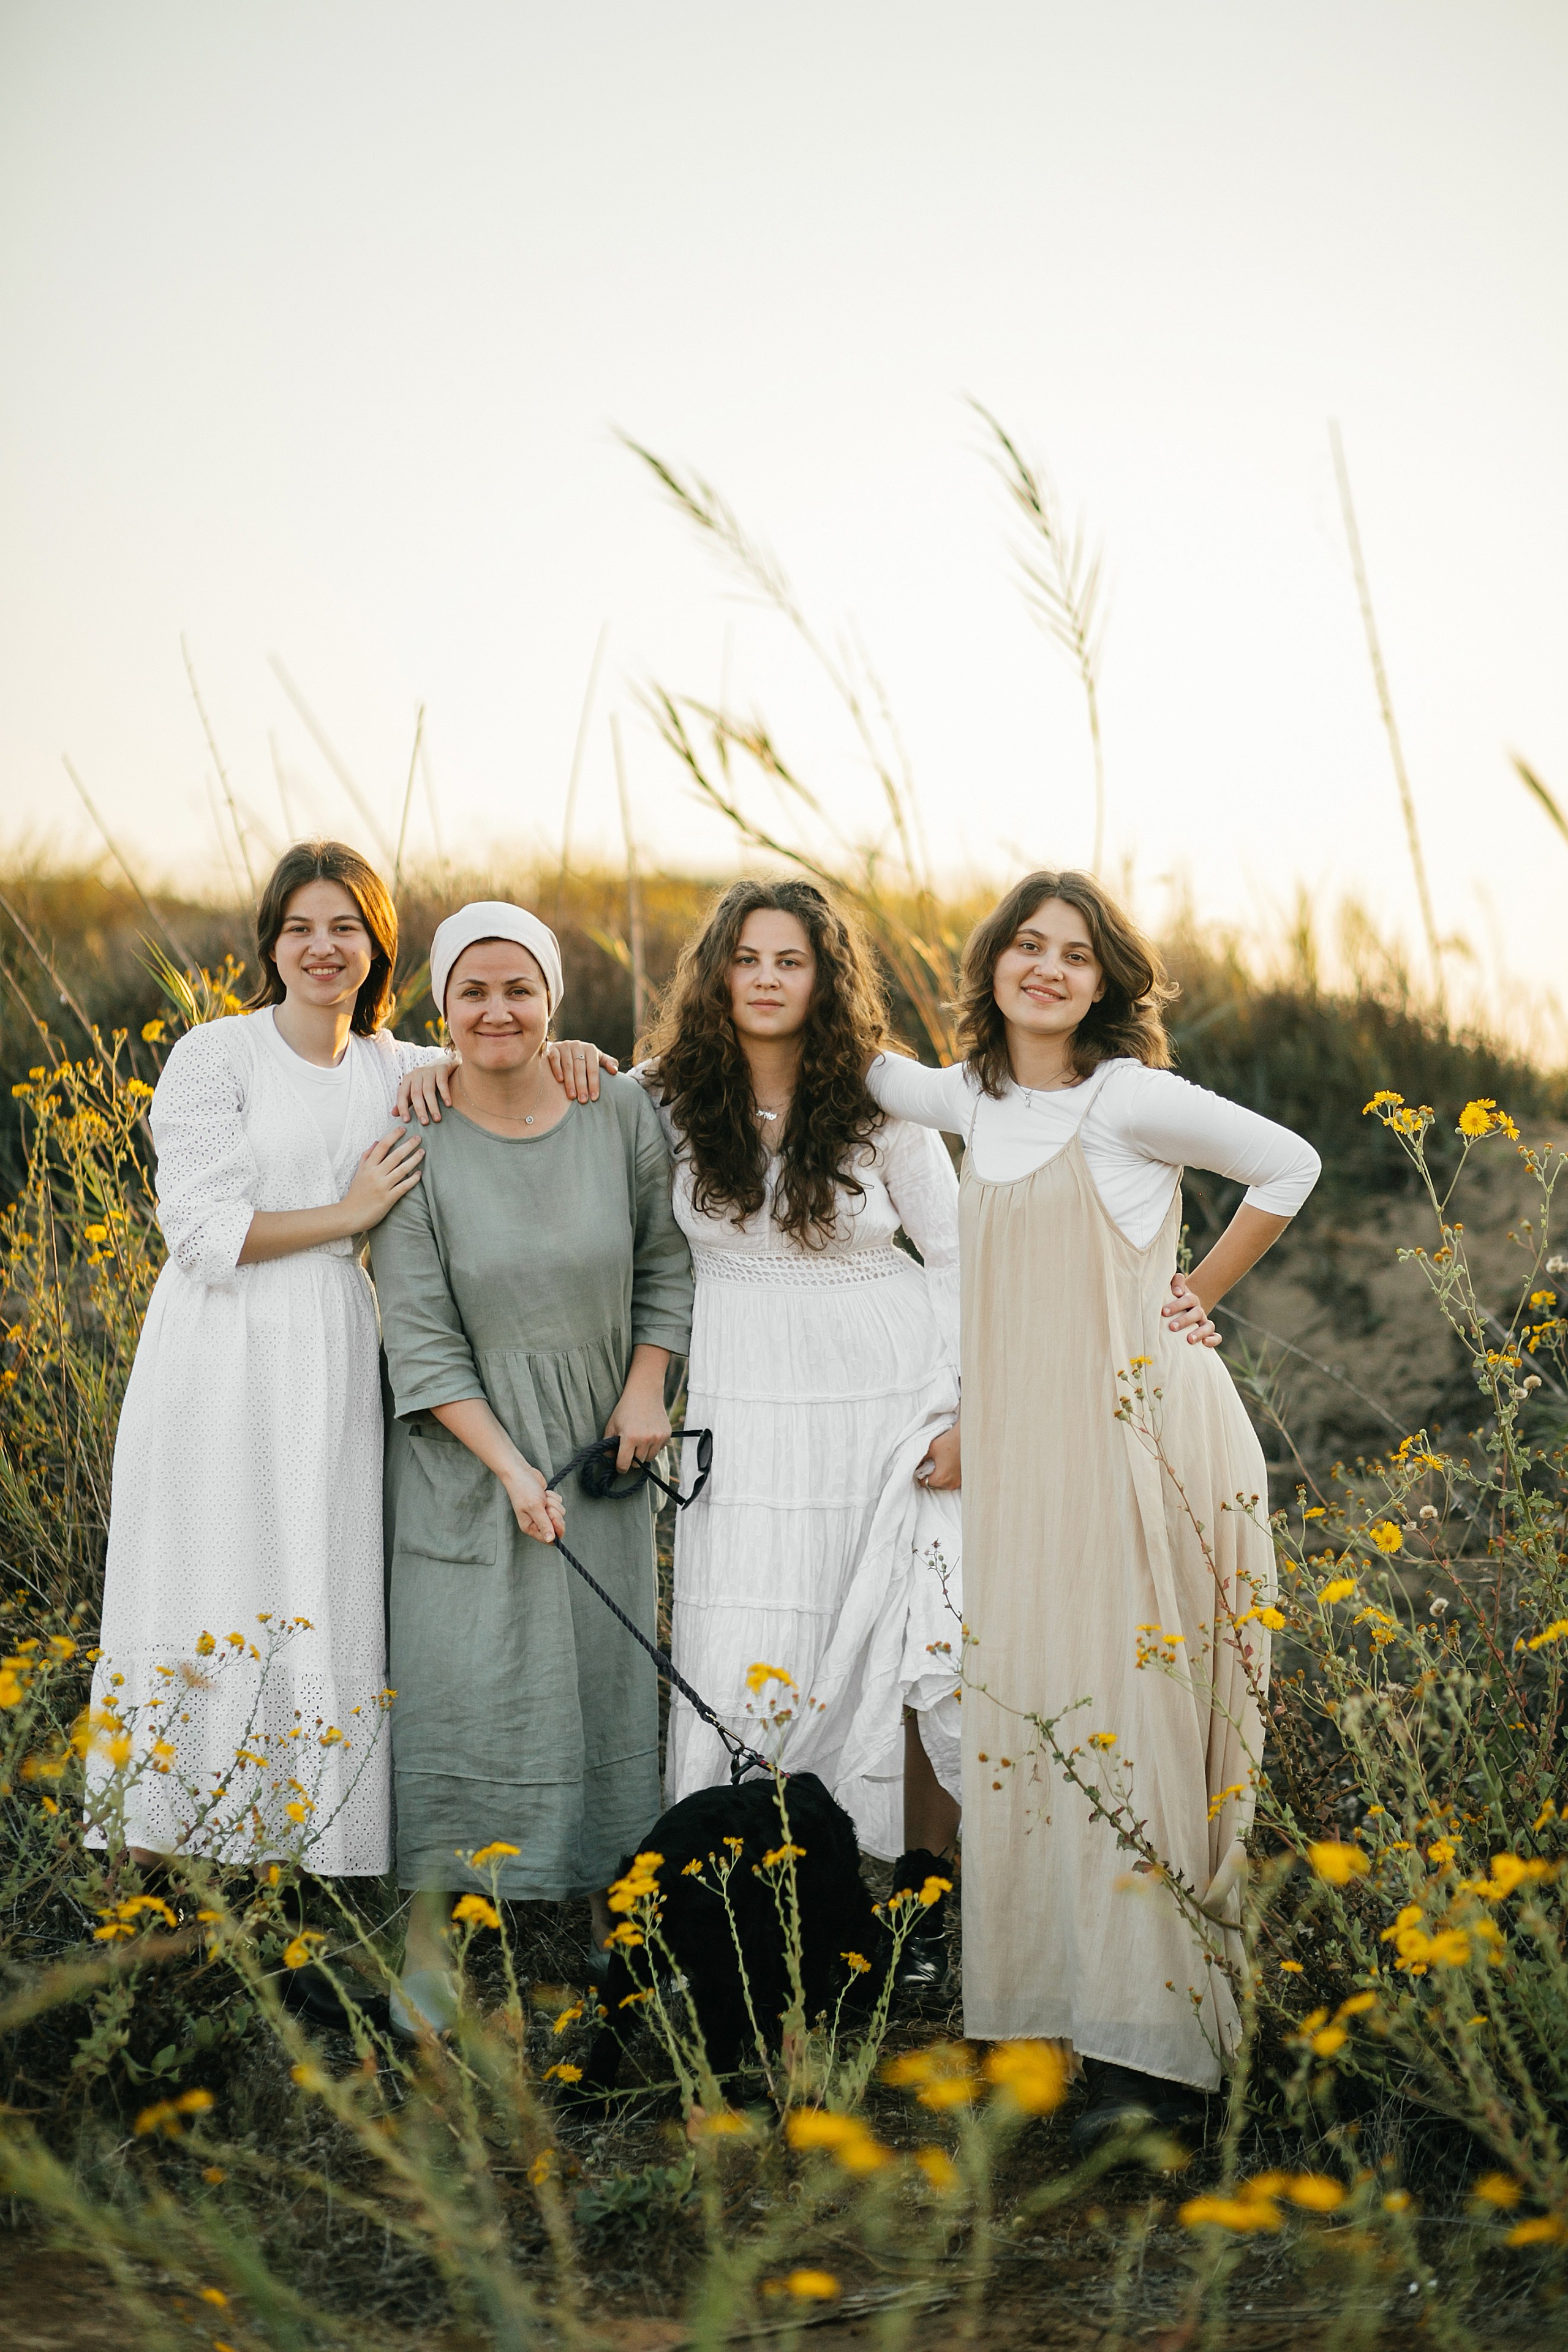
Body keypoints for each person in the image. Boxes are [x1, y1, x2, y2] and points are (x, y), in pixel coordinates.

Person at [864, 869, 1320, 2148]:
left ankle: (1157, 2064)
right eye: (1025, 946)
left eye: (1074, 955)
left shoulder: (1124, 1099)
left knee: (1137, 1722)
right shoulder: (969, 1097)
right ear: (992, 965)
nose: (1046, 970)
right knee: (1046, 1722)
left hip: (1141, 1439)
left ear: (1105, 983)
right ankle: (1064, 2028)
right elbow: (865, 1069)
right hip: (1034, 1462)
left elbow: (1288, 1162)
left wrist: (1195, 1289)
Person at [554, 880, 965, 1978]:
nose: (770, 979)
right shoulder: (665, 1100)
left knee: (900, 1640)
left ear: (826, 979)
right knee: (743, 1639)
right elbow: (553, 1099)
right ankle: (742, 1909)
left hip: (888, 1389)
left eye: (793, 960)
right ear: (718, 976)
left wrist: (971, 1413)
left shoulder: (885, 1100)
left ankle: (921, 1901)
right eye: (749, 959)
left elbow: (965, 1255)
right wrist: (552, 1061)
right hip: (745, 1398)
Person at [86, 840, 451, 1898]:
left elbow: (503, 1047)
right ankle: (154, 1845)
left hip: (333, 1344)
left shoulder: (398, 1069)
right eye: (301, 927)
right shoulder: (216, 1055)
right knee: (203, 1565)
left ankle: (297, 1847)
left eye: (346, 927)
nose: (322, 947)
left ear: (377, 947)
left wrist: (580, 1057)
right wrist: (351, 1213)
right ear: (272, 943)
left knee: (313, 1570)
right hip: (218, 1345)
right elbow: (201, 1234)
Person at [370, 902, 693, 2037]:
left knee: (605, 1683)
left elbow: (665, 1259)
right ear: (440, 1011)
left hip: (603, 1449)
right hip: (466, 1454)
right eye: (472, 992)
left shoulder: (618, 1112)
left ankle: (621, 1940)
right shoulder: (413, 1135)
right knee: (464, 1686)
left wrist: (645, 1388)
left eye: (519, 990)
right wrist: (509, 1468)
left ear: (553, 1002)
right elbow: (417, 1333)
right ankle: (426, 1948)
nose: (497, 1011)